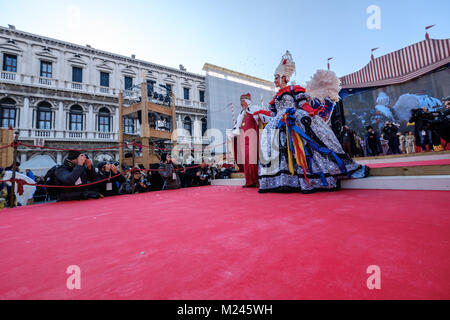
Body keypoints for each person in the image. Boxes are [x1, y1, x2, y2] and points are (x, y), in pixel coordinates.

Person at [258, 51, 369, 193]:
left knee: (306, 146)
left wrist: (310, 110)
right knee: (280, 151)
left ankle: (313, 176)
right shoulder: (275, 97)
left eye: (276, 77)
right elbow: (273, 114)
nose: (274, 81)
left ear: (284, 77)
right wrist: (260, 112)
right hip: (278, 124)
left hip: (293, 119)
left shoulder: (294, 89)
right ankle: (284, 180)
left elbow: (303, 104)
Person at [228, 93, 262, 188]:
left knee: (252, 159)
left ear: (247, 101)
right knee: (246, 160)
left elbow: (262, 119)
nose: (241, 103)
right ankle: (249, 181)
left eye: (243, 101)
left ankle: (256, 180)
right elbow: (237, 127)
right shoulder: (241, 114)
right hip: (243, 140)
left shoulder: (255, 109)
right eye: (241, 101)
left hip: (252, 138)